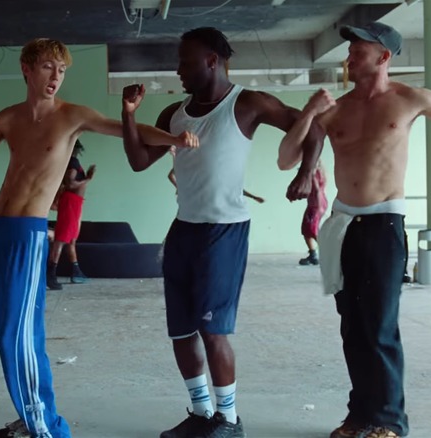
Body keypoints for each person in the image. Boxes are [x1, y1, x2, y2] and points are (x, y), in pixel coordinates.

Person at [0, 37, 197, 438]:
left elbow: (129, 130)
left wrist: (173, 139)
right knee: (8, 331)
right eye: (47, 67)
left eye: (61, 70)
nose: (55, 76)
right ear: (27, 69)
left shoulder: (72, 116)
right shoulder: (9, 117)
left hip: (28, 234)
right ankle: (32, 415)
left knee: (19, 335)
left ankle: (45, 427)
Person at [278, 21, 431, 438]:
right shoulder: (334, 109)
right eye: (349, 50)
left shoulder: (410, 99)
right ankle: (360, 416)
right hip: (342, 224)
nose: (349, 57)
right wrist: (310, 111)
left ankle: (390, 422)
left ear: (384, 56)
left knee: (380, 326)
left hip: (384, 222)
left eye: (359, 50)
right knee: (353, 327)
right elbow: (285, 158)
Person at [121, 27, 323, 438]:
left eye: (185, 61)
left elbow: (313, 128)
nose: (178, 69)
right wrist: (128, 115)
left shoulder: (248, 103)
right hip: (184, 229)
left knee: (213, 331)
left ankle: (228, 420)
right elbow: (139, 161)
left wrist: (306, 174)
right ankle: (201, 412)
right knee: (181, 330)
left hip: (225, 231)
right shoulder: (173, 114)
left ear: (212, 61)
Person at [47, 139, 95, 290]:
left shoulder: (70, 162)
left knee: (70, 239)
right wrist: (87, 179)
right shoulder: (73, 162)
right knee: (61, 239)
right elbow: (70, 184)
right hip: (71, 202)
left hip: (74, 202)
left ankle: (75, 271)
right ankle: (50, 274)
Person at [298, 160, 328, 265]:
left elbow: (317, 190)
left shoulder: (313, 174)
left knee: (311, 230)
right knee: (307, 229)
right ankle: (313, 255)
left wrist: (318, 207)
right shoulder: (320, 173)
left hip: (315, 205)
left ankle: (328, 253)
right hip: (318, 203)